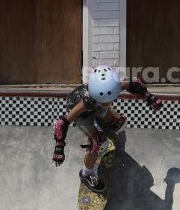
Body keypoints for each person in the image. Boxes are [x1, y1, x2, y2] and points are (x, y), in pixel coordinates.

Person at [52, 65, 163, 193]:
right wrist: (59, 146)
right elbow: (62, 123)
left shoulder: (114, 86)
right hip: (83, 115)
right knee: (98, 143)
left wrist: (149, 97)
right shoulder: (86, 101)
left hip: (96, 106)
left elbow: (135, 83)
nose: (108, 104)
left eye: (110, 101)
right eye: (104, 102)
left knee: (120, 123)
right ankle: (86, 174)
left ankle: (100, 122)